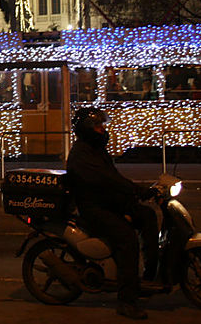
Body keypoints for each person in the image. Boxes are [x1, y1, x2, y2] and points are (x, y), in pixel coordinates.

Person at [66, 107, 160, 320]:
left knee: (147, 216)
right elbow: (108, 181)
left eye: (103, 126)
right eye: (99, 127)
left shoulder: (97, 150)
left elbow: (114, 178)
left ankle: (149, 276)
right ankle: (126, 301)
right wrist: (136, 190)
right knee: (127, 239)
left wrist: (139, 194)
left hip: (109, 203)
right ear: (88, 129)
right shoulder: (82, 155)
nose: (103, 130)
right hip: (94, 209)